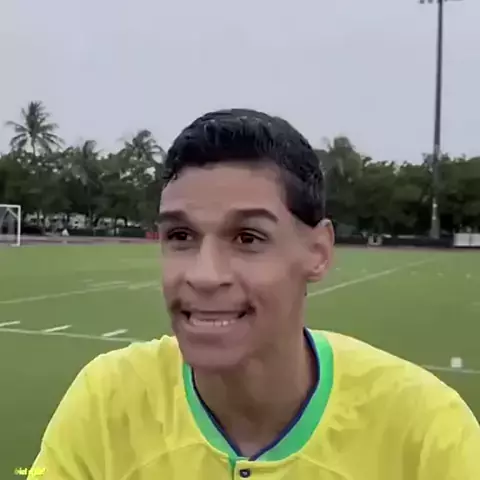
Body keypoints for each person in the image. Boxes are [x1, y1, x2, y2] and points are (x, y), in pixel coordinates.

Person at [29, 109, 480, 479]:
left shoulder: (425, 429)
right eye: (181, 236)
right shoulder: (106, 402)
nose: (205, 276)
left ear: (318, 252)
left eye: (248, 237)